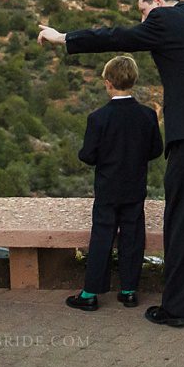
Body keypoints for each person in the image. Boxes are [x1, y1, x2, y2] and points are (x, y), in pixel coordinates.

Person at [38, 0, 184, 328]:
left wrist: (64, 37)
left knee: (182, 219)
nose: (143, 19)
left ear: (157, 1)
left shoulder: (166, 19)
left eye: (143, 11)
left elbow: (118, 37)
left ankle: (176, 309)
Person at [65, 55, 163, 312]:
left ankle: (90, 293)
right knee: (133, 237)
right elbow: (155, 150)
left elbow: (88, 155)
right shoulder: (147, 115)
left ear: (108, 83)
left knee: (102, 237)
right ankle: (129, 290)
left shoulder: (98, 118)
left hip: (108, 188)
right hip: (134, 187)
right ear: (133, 80)